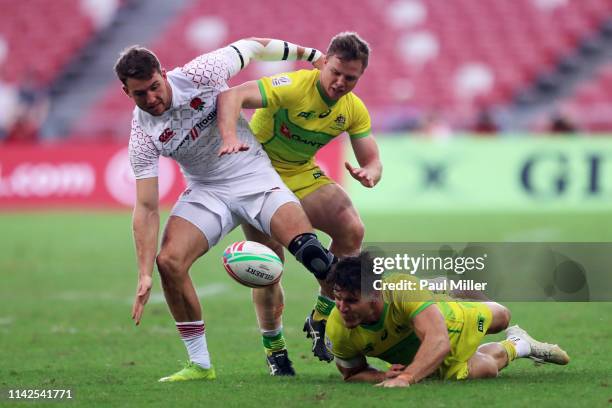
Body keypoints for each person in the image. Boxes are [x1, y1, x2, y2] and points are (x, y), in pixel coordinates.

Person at [115, 37, 338, 382]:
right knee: (168, 263)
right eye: (140, 94)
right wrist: (144, 273)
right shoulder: (143, 134)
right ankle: (200, 364)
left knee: (309, 256)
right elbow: (146, 207)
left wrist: (311, 55)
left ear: (163, 73)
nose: (152, 99)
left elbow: (254, 45)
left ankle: (287, 342)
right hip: (207, 191)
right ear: (126, 92)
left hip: (253, 176)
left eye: (154, 87)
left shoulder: (202, 72)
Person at [217, 32, 382, 363]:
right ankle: (275, 351)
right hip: (258, 175)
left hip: (300, 173)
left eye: (350, 78)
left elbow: (372, 159)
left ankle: (321, 317)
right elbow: (232, 96)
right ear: (325, 62)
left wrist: (372, 172)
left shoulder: (353, 109)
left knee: (352, 229)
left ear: (359, 76)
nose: (340, 82)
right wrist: (230, 137)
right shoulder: (293, 86)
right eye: (335, 72)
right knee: (269, 268)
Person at [324, 253, 570, 386]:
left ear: (375, 293)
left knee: (502, 316)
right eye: (337, 299)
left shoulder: (400, 290)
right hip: (424, 358)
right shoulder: (337, 329)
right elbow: (352, 373)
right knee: (486, 369)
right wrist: (383, 376)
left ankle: (443, 290)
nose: (342, 308)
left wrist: (406, 378)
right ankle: (520, 344)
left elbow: (438, 340)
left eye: (351, 301)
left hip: (450, 323)